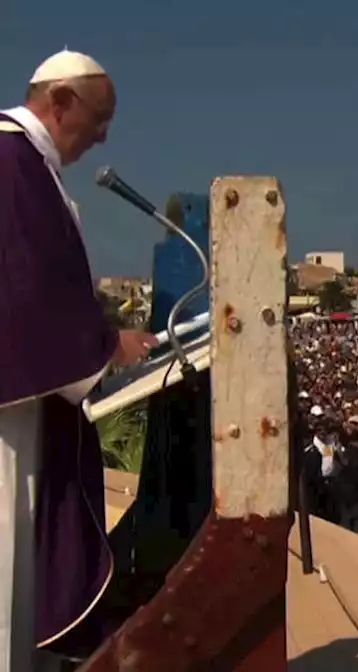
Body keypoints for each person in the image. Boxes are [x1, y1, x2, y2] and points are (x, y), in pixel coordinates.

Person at [0, 50, 160, 669]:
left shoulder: (30, 165)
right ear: (60, 101)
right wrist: (105, 345)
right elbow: (20, 295)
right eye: (99, 118)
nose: (103, 135)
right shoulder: (11, 161)